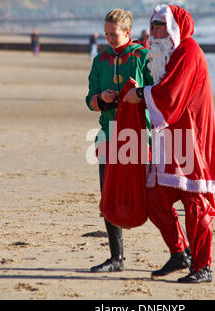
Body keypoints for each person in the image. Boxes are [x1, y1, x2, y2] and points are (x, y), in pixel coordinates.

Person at [123, 4, 215, 283]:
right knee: (154, 195)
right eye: (152, 24)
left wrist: (141, 94)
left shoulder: (188, 52)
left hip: (192, 139)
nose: (153, 30)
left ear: (175, 28)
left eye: (159, 25)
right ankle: (180, 253)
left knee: (196, 203)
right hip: (171, 137)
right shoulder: (169, 54)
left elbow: (171, 96)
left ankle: (203, 267)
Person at [85, 9, 153, 273]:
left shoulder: (144, 57)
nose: (110, 39)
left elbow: (158, 94)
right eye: (106, 34)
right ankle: (116, 258)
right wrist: (102, 98)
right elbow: (89, 100)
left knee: (153, 198)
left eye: (114, 34)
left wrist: (138, 92)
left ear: (128, 33)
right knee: (108, 198)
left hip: (138, 135)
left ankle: (180, 252)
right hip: (108, 134)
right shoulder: (100, 60)